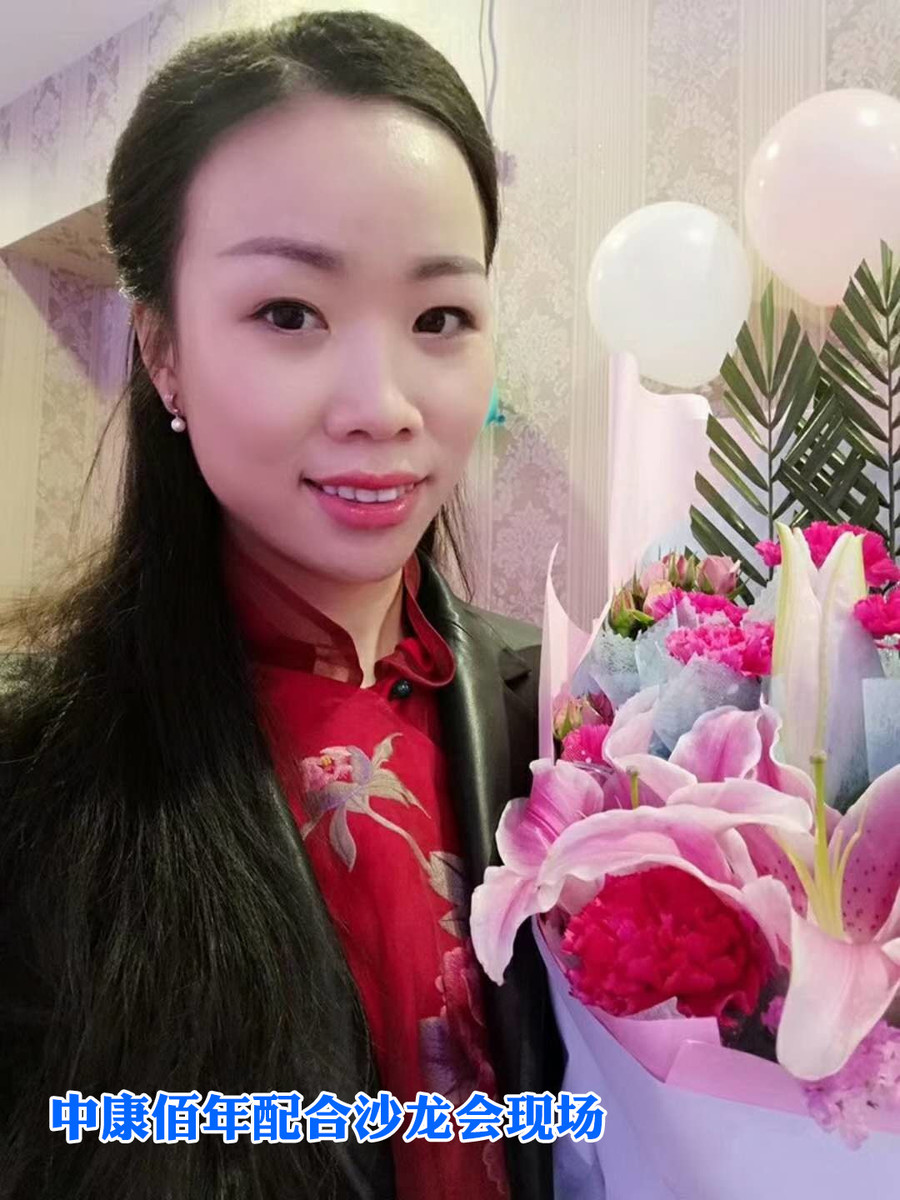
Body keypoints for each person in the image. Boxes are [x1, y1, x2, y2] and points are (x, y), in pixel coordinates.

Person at [0, 10, 563, 1200]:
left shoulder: (571, 723)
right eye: (290, 314)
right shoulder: (32, 771)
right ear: (162, 349)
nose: (383, 405)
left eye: (439, 318)